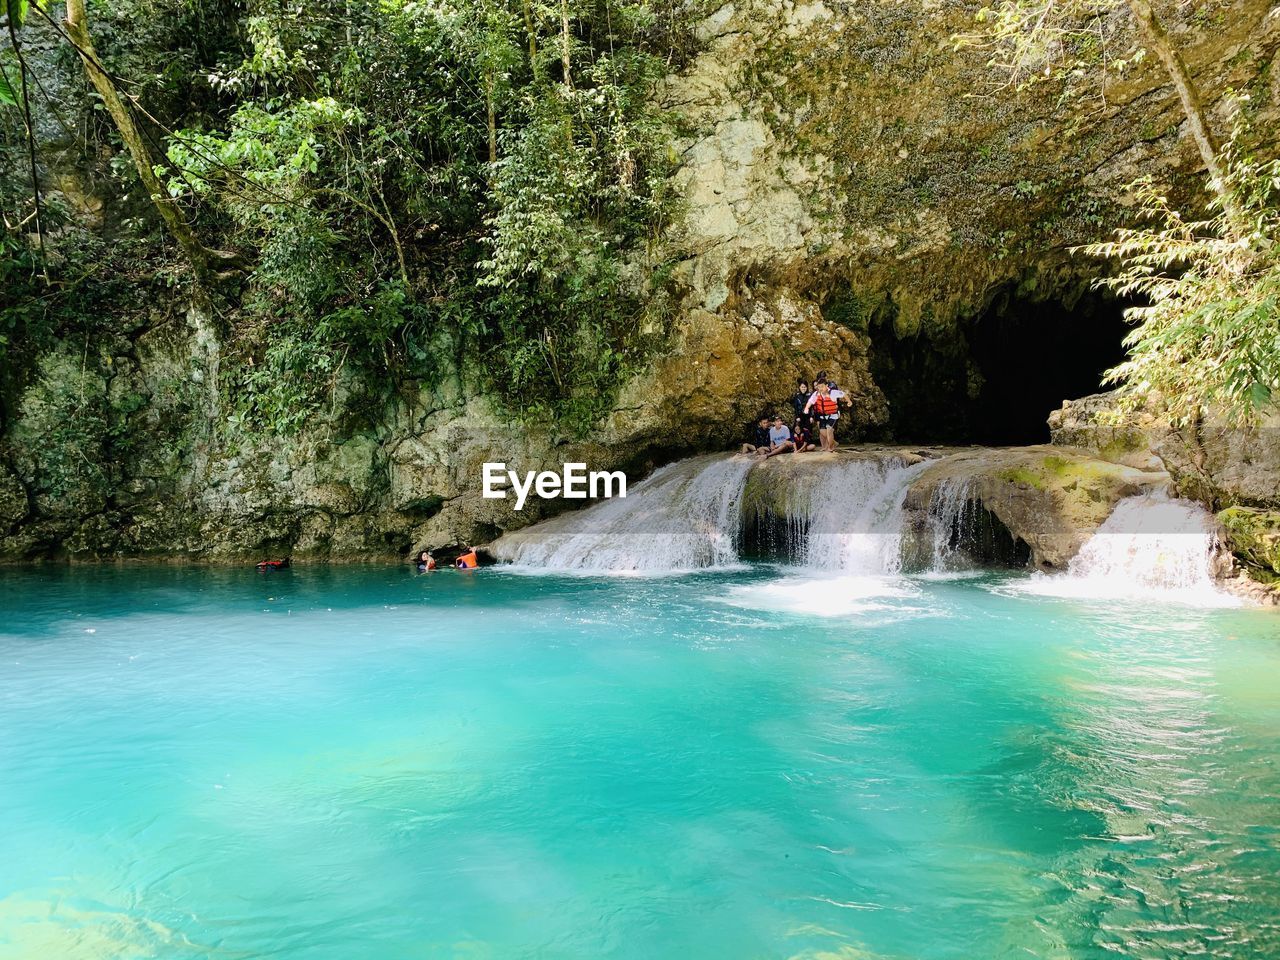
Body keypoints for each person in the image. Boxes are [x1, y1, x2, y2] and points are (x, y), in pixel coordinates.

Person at [804, 380, 840, 452]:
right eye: (815, 386)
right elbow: (811, 404)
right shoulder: (815, 394)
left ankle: (830, 447)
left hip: (830, 414)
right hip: (818, 414)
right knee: (822, 431)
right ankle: (831, 444)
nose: (816, 387)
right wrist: (809, 412)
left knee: (828, 431)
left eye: (817, 385)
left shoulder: (829, 392)